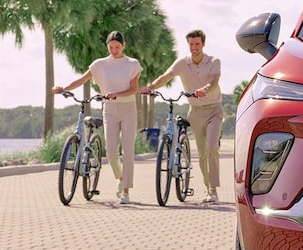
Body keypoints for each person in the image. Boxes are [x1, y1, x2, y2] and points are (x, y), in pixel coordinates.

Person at [53, 31, 142, 204]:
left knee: (128, 150)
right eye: (111, 47)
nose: (114, 50)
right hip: (109, 109)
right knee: (110, 151)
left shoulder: (132, 64)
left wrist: (116, 94)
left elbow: (134, 89)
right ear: (107, 46)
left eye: (117, 47)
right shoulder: (99, 65)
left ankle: (125, 191)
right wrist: (64, 88)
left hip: (128, 108)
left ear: (123, 46)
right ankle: (120, 177)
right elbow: (82, 79)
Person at [142, 29, 223, 203]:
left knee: (211, 147)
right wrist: (151, 87)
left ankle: (214, 189)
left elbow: (214, 81)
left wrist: (206, 89)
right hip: (195, 112)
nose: (194, 47)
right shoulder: (182, 63)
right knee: (202, 153)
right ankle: (208, 187)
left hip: (214, 110)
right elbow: (166, 76)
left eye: (197, 44)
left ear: (203, 44)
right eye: (191, 44)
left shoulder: (214, 61)